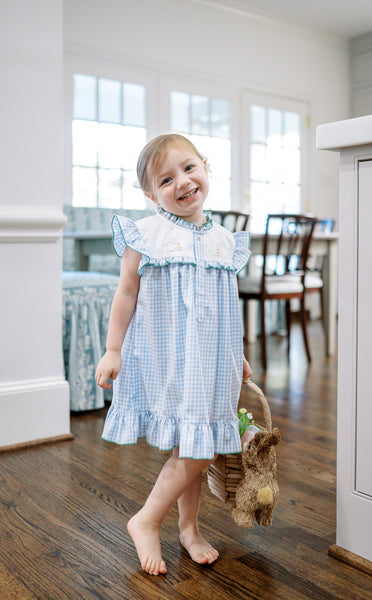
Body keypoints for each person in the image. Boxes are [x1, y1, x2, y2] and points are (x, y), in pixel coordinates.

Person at [95, 133, 252, 576]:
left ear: (205, 166)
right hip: (170, 359)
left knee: (195, 440)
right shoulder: (147, 235)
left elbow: (227, 304)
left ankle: (189, 527)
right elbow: (126, 292)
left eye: (188, 168)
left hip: (213, 359)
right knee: (200, 447)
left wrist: (235, 354)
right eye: (166, 179)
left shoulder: (225, 239)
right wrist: (113, 349)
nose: (182, 182)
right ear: (151, 195)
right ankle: (145, 519)